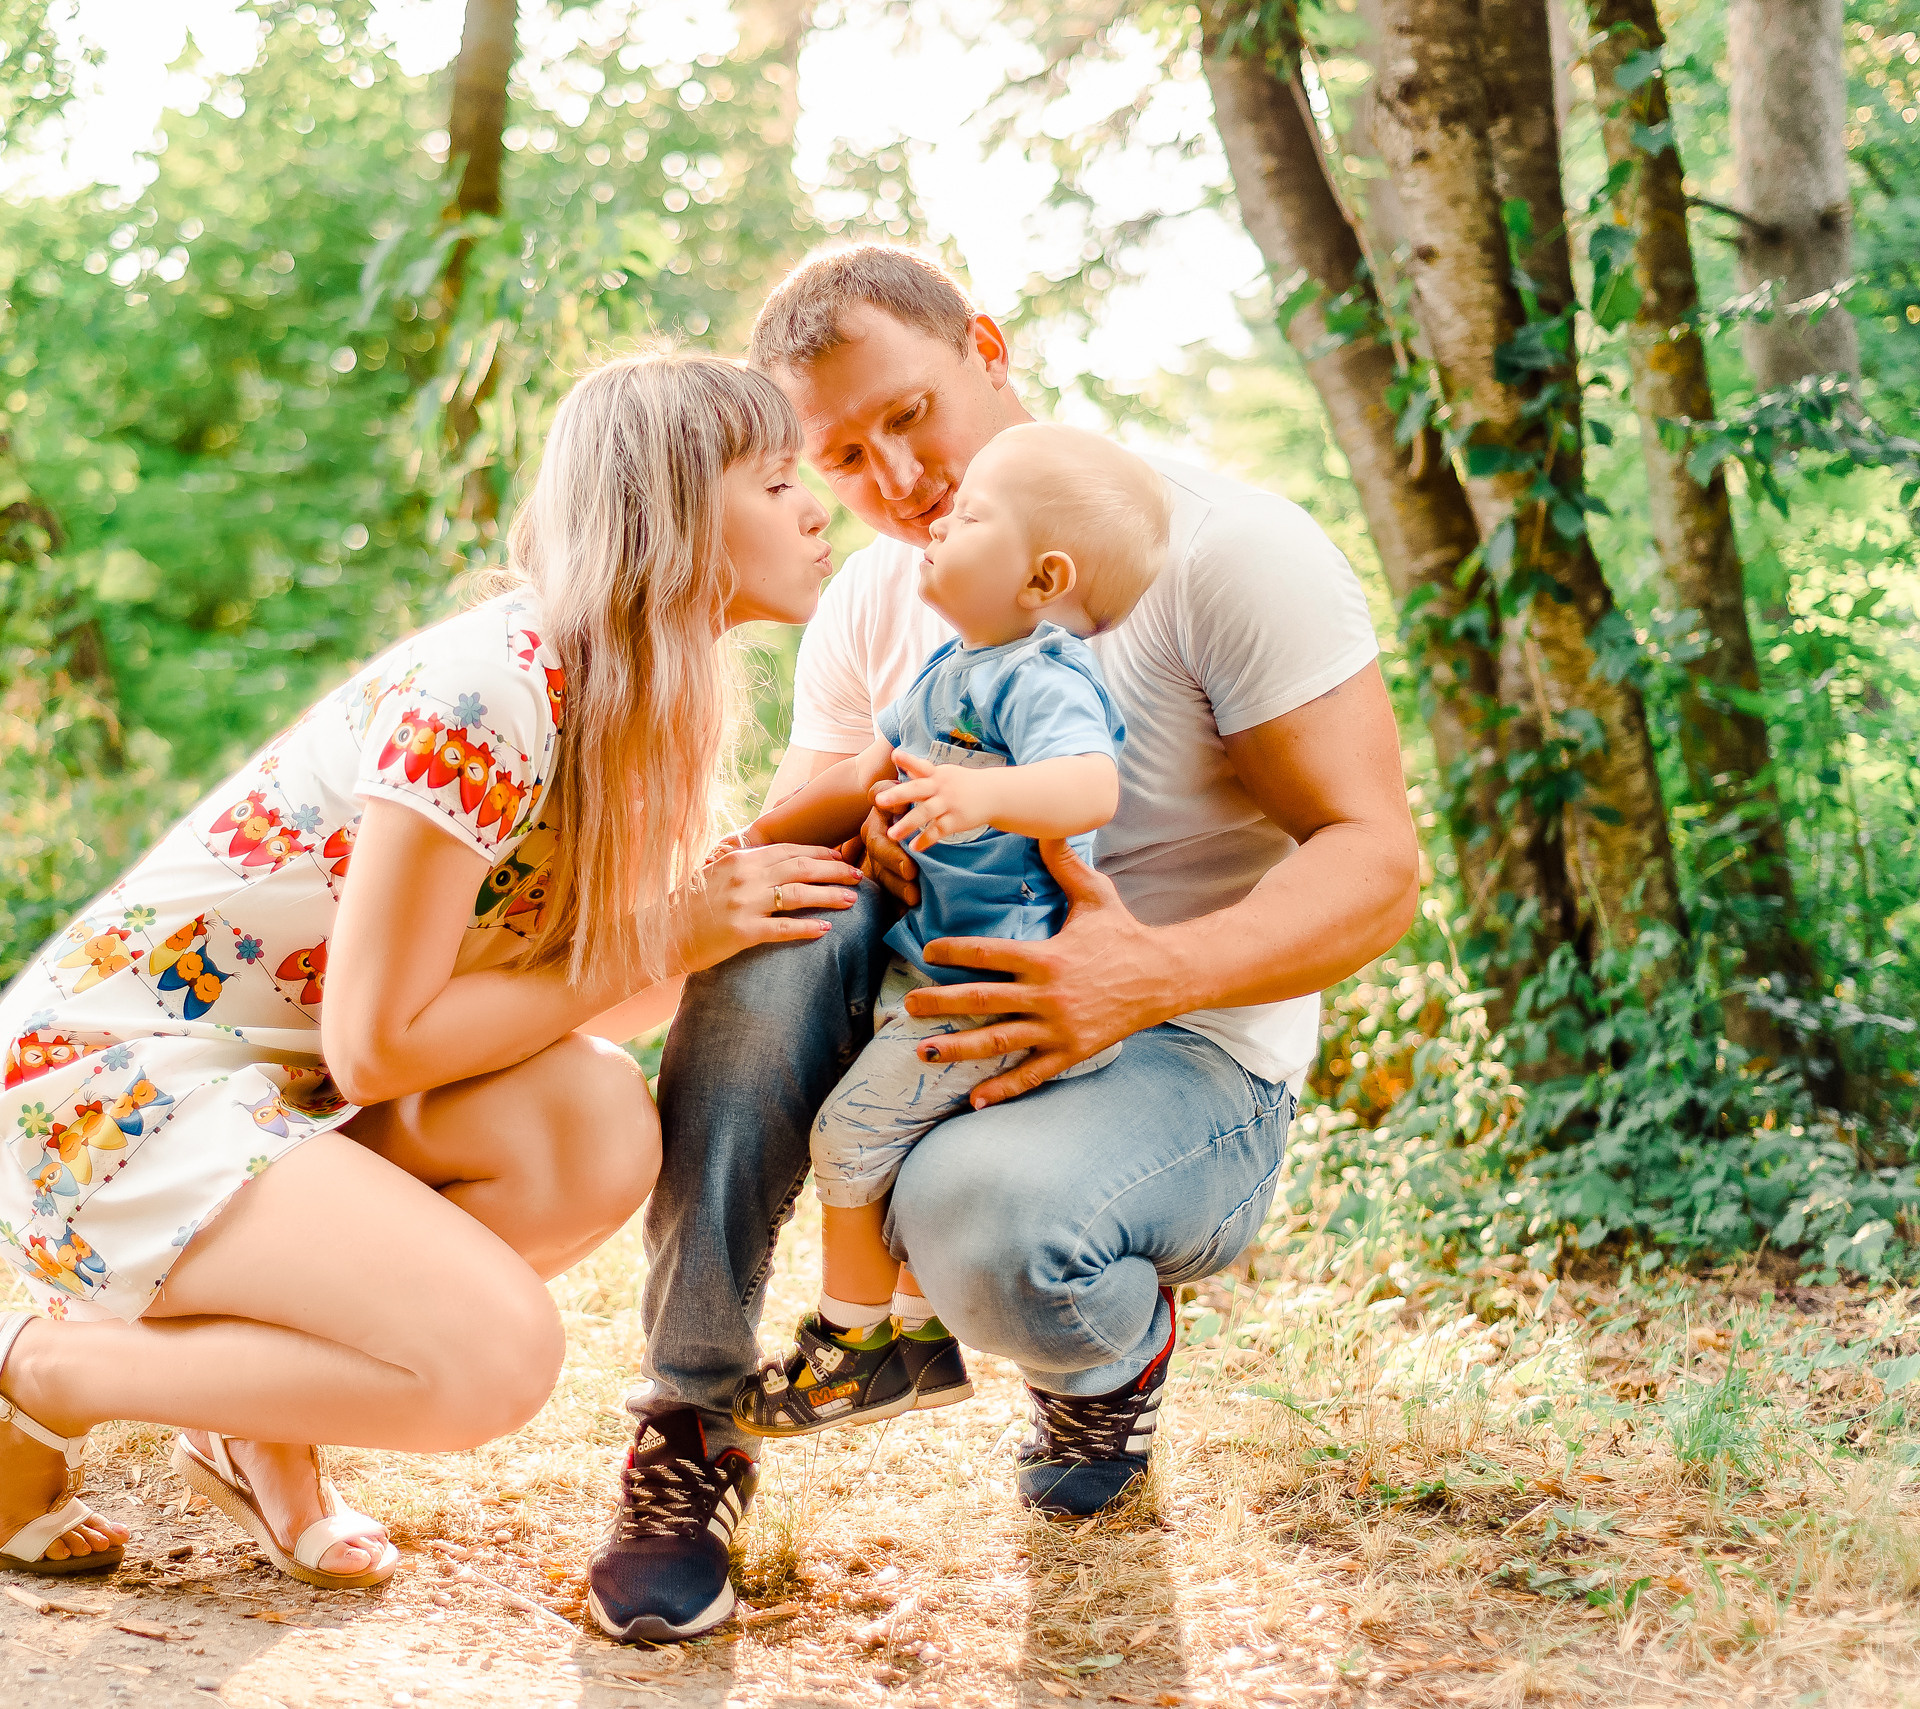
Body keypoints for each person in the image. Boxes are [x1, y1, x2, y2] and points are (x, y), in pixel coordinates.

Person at [585, 247, 1420, 1645]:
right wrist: (858, 835)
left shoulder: (1225, 553)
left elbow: (1378, 864)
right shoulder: (879, 598)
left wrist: (1150, 973)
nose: (899, 479)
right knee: (770, 934)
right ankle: (692, 1417)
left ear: (987, 345)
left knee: (981, 1226)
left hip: (1186, 1042)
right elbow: (802, 852)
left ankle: (1105, 1355)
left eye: (910, 415)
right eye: (843, 458)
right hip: (946, 990)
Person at [0, 352, 863, 1586]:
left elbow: (610, 999)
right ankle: (37, 1371)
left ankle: (248, 1420)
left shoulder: (634, 707)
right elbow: (378, 1045)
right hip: (95, 1104)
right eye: (778, 481)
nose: (817, 509)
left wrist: (761, 876)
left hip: (264, 1109)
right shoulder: (492, 688)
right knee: (490, 1363)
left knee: (590, 1120)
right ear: (675, 513)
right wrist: (669, 929)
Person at [726, 423, 1161, 1440]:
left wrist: (982, 796)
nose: (935, 526)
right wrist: (746, 842)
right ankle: (921, 1338)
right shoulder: (949, 666)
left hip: (993, 985)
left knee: (847, 1136)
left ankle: (853, 1349)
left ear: (1041, 578)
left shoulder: (1042, 675)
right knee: (902, 1139)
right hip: (925, 967)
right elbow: (860, 773)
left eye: (969, 518)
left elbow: (1089, 784)